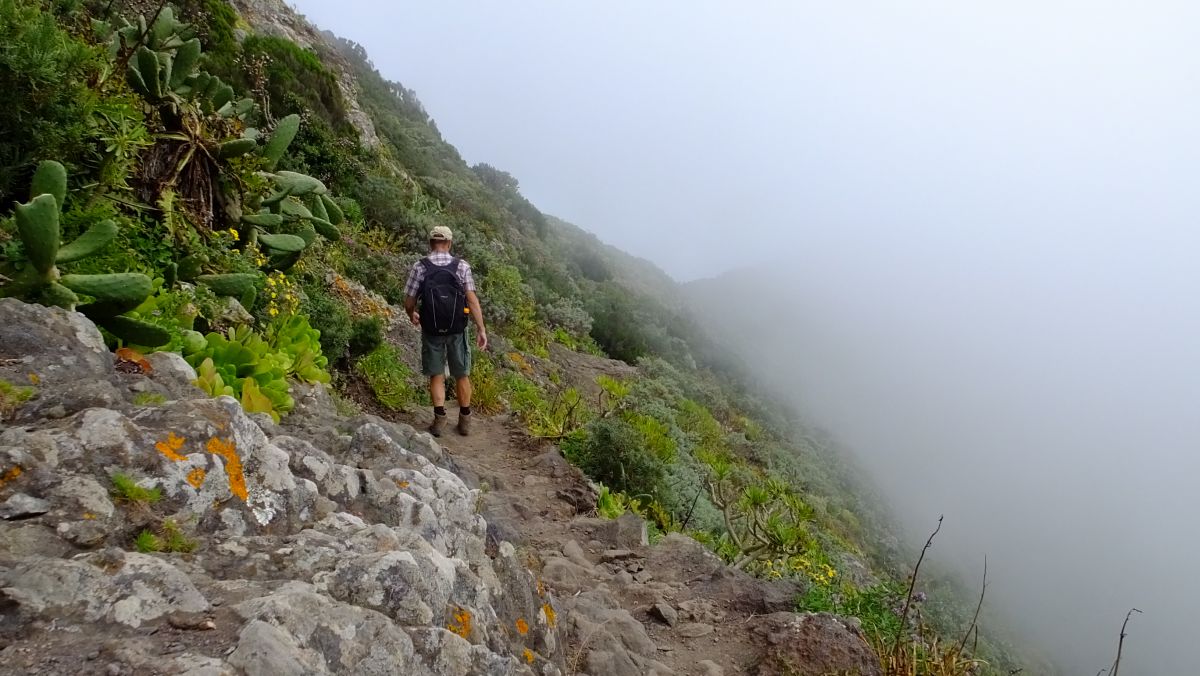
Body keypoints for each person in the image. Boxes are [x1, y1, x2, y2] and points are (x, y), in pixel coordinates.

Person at [403, 226, 488, 437]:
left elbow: (409, 300)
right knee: (461, 374)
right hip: (457, 328)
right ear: (449, 243)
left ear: (431, 244)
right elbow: (472, 300)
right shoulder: (462, 266)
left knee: (437, 374)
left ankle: (440, 420)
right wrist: (481, 328)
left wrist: (411, 314)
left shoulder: (420, 267)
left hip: (431, 329)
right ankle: (465, 421)